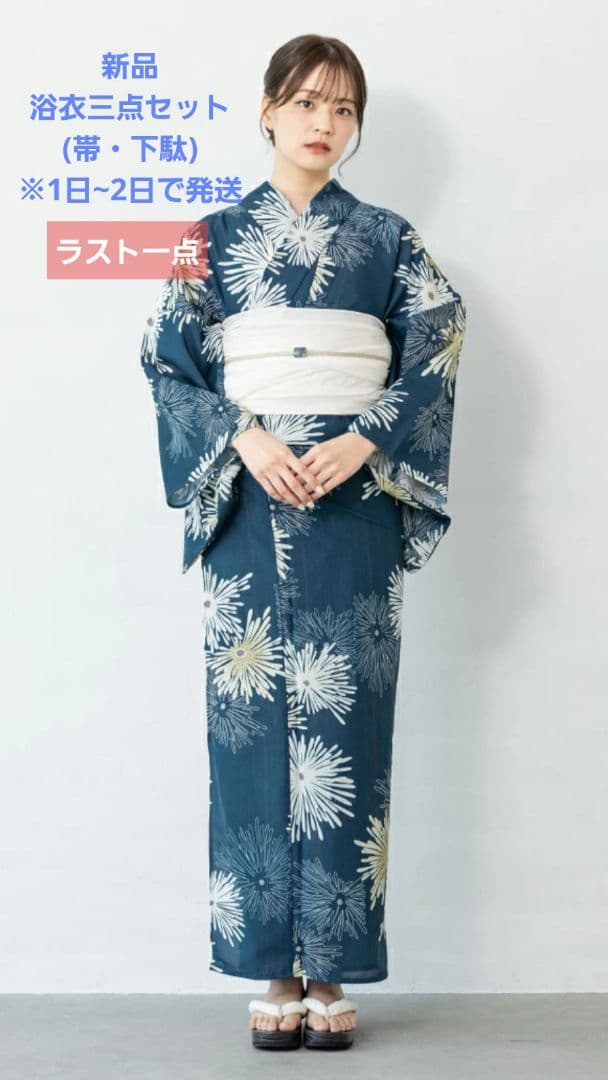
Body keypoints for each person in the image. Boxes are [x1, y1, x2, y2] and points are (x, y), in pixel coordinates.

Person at [139, 33, 467, 1052]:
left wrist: (366, 439)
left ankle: (330, 970)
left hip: (351, 497)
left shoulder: (388, 238)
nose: (325, 122)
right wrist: (243, 436)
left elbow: (439, 337)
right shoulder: (207, 237)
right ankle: (271, 969)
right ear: (267, 111)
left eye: (343, 107)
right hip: (249, 496)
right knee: (247, 730)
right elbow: (163, 356)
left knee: (347, 726)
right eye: (307, 101)